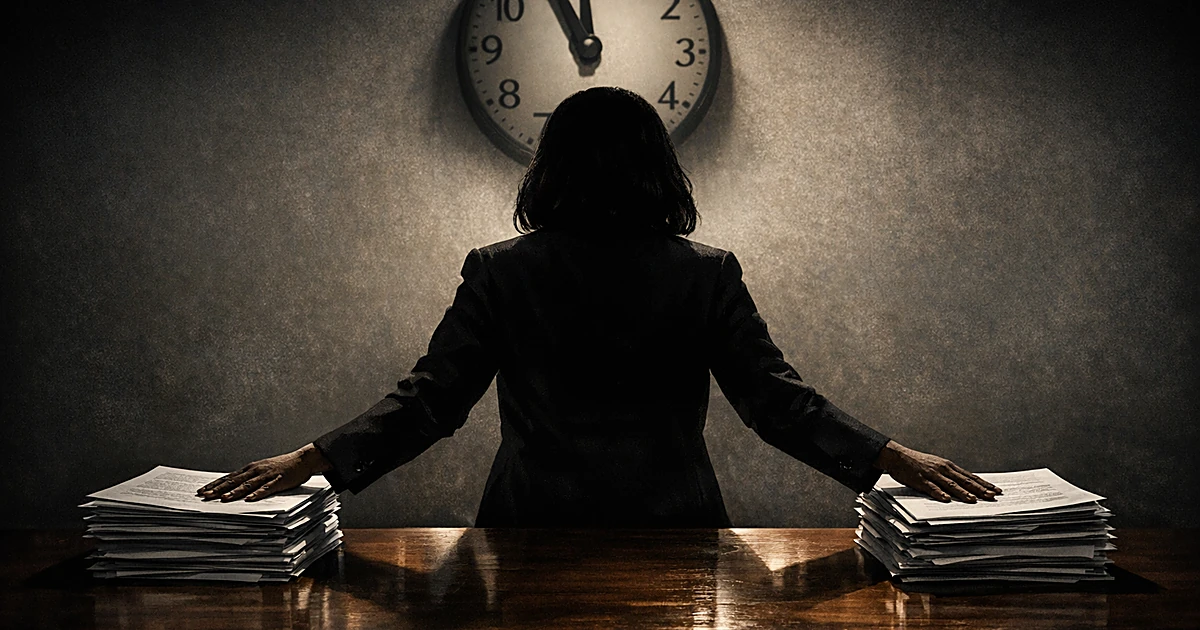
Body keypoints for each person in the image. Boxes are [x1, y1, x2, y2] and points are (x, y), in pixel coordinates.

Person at [197, 87, 1001, 525]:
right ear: (660, 167)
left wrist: (310, 459)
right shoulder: (706, 274)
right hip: (676, 528)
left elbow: (430, 403)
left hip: (529, 527)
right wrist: (892, 455)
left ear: (550, 168)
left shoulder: (500, 271)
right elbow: (775, 404)